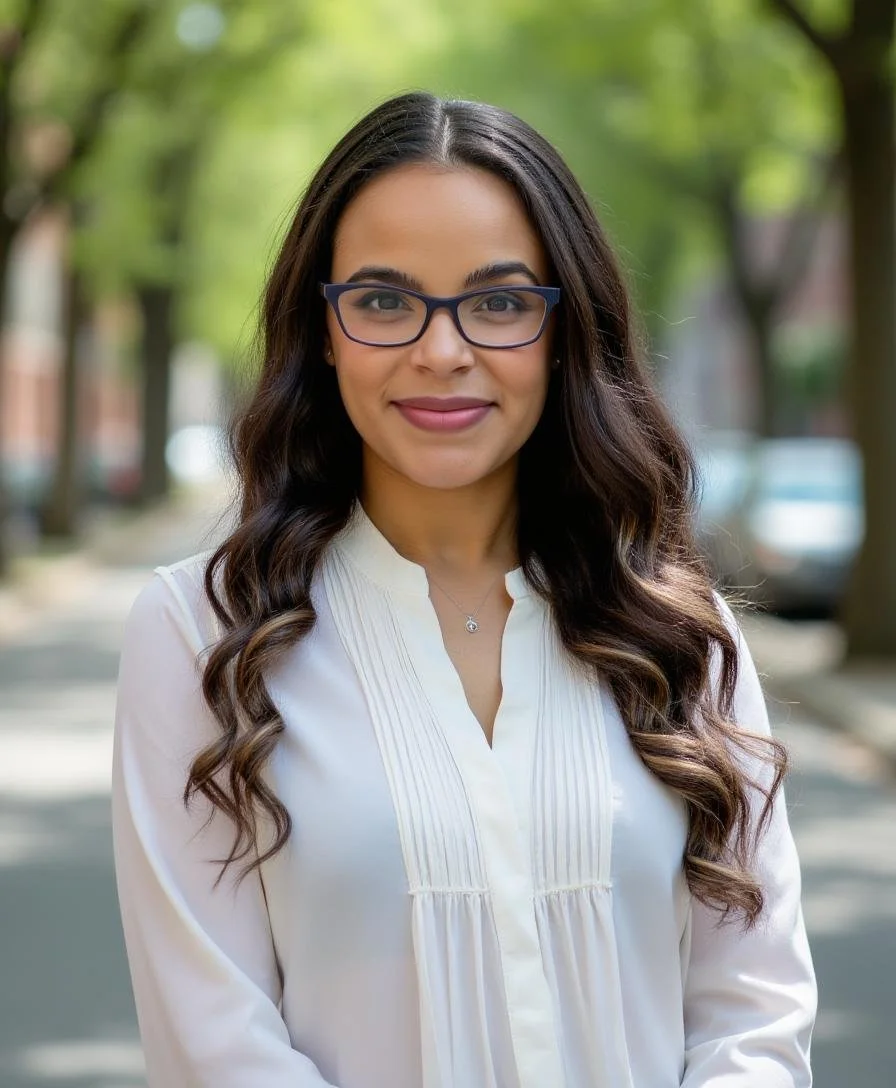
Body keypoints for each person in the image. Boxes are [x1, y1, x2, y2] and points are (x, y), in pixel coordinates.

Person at [111, 91, 816, 1087]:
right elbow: (213, 1041)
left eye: (497, 301)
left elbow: (753, 1012)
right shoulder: (197, 636)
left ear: (563, 328)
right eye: (384, 300)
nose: (441, 352)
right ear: (321, 329)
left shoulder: (680, 633)